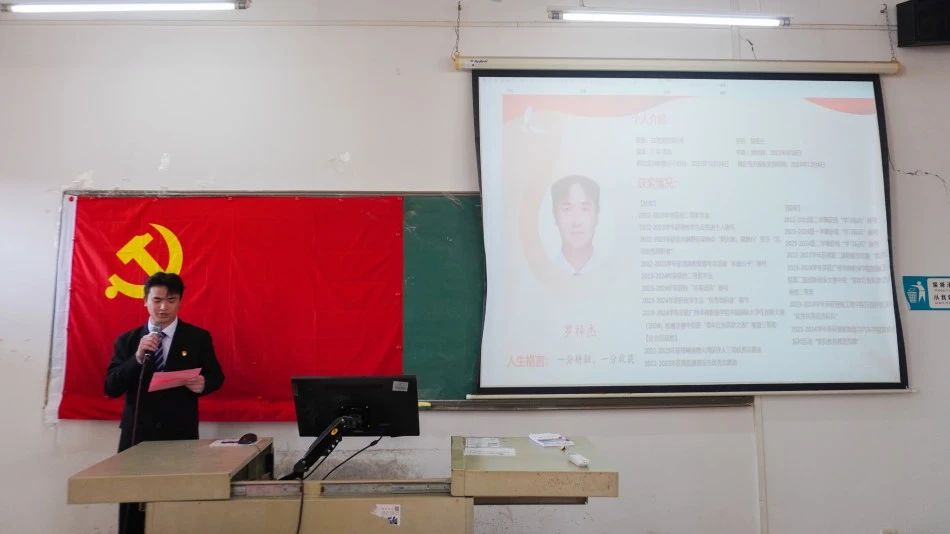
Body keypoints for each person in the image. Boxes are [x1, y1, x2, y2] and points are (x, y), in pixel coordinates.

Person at [104, 272, 224, 534]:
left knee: (176, 502)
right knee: (133, 503)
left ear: (180, 301)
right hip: (137, 434)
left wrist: (204, 383)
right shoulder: (128, 340)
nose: (163, 307)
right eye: (157, 300)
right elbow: (111, 387)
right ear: (145, 301)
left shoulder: (197, 337)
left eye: (171, 300)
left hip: (179, 433)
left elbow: (216, 376)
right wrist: (137, 357)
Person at [551, 175, 600, 275]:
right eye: (567, 209)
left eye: (585, 209)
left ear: (597, 215)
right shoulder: (546, 270)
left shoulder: (611, 270)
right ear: (555, 215)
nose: (576, 222)